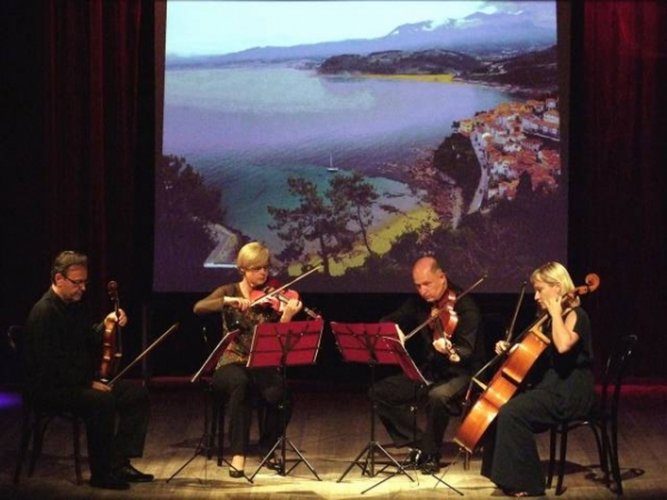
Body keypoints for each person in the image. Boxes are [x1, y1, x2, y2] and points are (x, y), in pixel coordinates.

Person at [23, 250, 152, 490]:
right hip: (50, 388)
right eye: (77, 282)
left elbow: (89, 339)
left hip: (75, 381)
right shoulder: (44, 313)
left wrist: (108, 323)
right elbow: (49, 366)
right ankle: (101, 473)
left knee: (136, 393)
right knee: (101, 401)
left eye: (85, 282)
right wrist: (88, 383)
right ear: (59, 279)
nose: (82, 288)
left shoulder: (72, 306)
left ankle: (118, 462)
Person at [480, 261, 595, 497]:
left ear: (557, 287)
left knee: (513, 413)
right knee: (500, 407)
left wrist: (555, 313)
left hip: (570, 392)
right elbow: (539, 357)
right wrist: (513, 350)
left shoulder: (576, 315)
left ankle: (527, 482)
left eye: (540, 289)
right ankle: (503, 476)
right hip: (550, 388)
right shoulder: (550, 319)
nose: (536, 296)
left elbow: (563, 346)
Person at [193, 241, 303, 478]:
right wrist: (227, 301)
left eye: (266, 267)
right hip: (230, 361)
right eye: (256, 268)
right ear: (242, 269)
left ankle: (267, 446)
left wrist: (286, 316)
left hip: (259, 363)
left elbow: (277, 339)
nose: (263, 272)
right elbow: (199, 308)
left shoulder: (271, 297)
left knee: (283, 394)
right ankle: (238, 454)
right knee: (240, 384)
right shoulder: (229, 290)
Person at [372, 256, 483, 474]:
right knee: (380, 393)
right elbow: (387, 320)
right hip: (431, 371)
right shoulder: (419, 303)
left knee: (438, 396)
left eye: (427, 284)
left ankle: (431, 454)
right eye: (418, 286)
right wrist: (394, 330)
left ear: (442, 277)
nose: (422, 291)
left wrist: (449, 350)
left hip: (461, 373)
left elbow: (467, 351)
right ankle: (423, 445)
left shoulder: (465, 306)